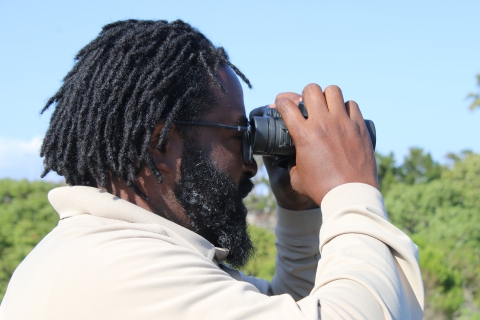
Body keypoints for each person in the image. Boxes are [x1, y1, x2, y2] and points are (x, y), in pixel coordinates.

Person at [0, 19, 424, 319]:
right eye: (238, 133)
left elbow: (292, 308)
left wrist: (299, 211)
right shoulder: (119, 271)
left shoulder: (105, 254)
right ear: (161, 143)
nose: (249, 163)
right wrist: (350, 185)